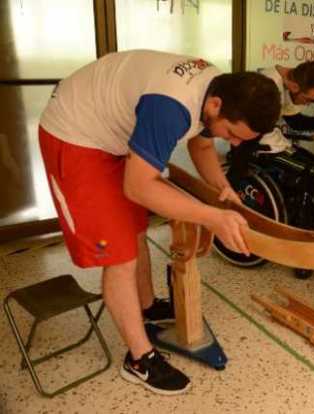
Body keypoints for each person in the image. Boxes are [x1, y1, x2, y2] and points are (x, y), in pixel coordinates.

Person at [38, 50, 281, 394]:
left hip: (111, 133)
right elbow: (138, 186)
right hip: (76, 134)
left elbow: (202, 146)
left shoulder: (217, 90)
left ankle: (147, 307)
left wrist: (222, 188)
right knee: (119, 256)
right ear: (214, 105)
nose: (235, 143)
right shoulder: (172, 106)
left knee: (133, 230)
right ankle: (139, 360)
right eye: (233, 133)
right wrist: (212, 217)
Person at [229, 61, 314, 279]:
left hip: (276, 144)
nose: (308, 104)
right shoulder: (266, 88)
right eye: (308, 100)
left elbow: (294, 120)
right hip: (260, 150)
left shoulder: (286, 84)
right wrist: (236, 175)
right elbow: (247, 133)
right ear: (294, 86)